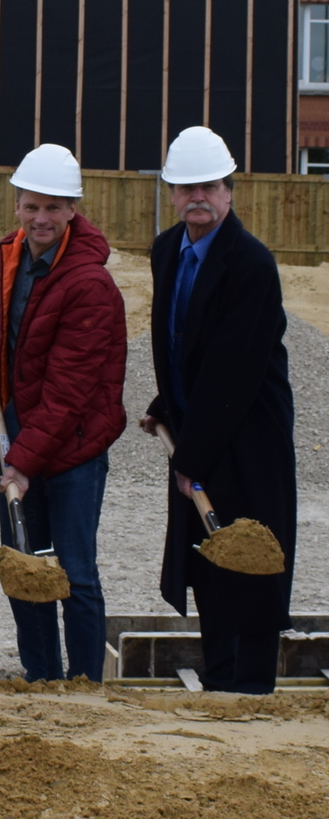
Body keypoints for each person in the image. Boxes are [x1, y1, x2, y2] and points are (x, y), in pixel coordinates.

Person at [0, 144, 127, 683]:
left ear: (73, 211)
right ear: (17, 206)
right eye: (32, 206)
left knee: (74, 572)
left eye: (54, 208)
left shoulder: (90, 284)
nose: (41, 219)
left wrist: (22, 463)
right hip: (21, 435)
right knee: (25, 566)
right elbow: (22, 315)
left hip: (73, 443)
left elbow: (70, 390)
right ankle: (41, 676)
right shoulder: (15, 252)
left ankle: (83, 684)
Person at [140, 126, 295, 695]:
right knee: (208, 555)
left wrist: (191, 458)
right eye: (185, 188)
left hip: (250, 429)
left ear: (230, 191)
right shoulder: (166, 250)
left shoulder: (250, 264)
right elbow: (181, 342)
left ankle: (252, 685)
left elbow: (235, 367)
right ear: (172, 193)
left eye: (208, 186)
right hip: (200, 422)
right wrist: (168, 401)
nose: (196, 197)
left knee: (253, 551)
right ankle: (220, 675)